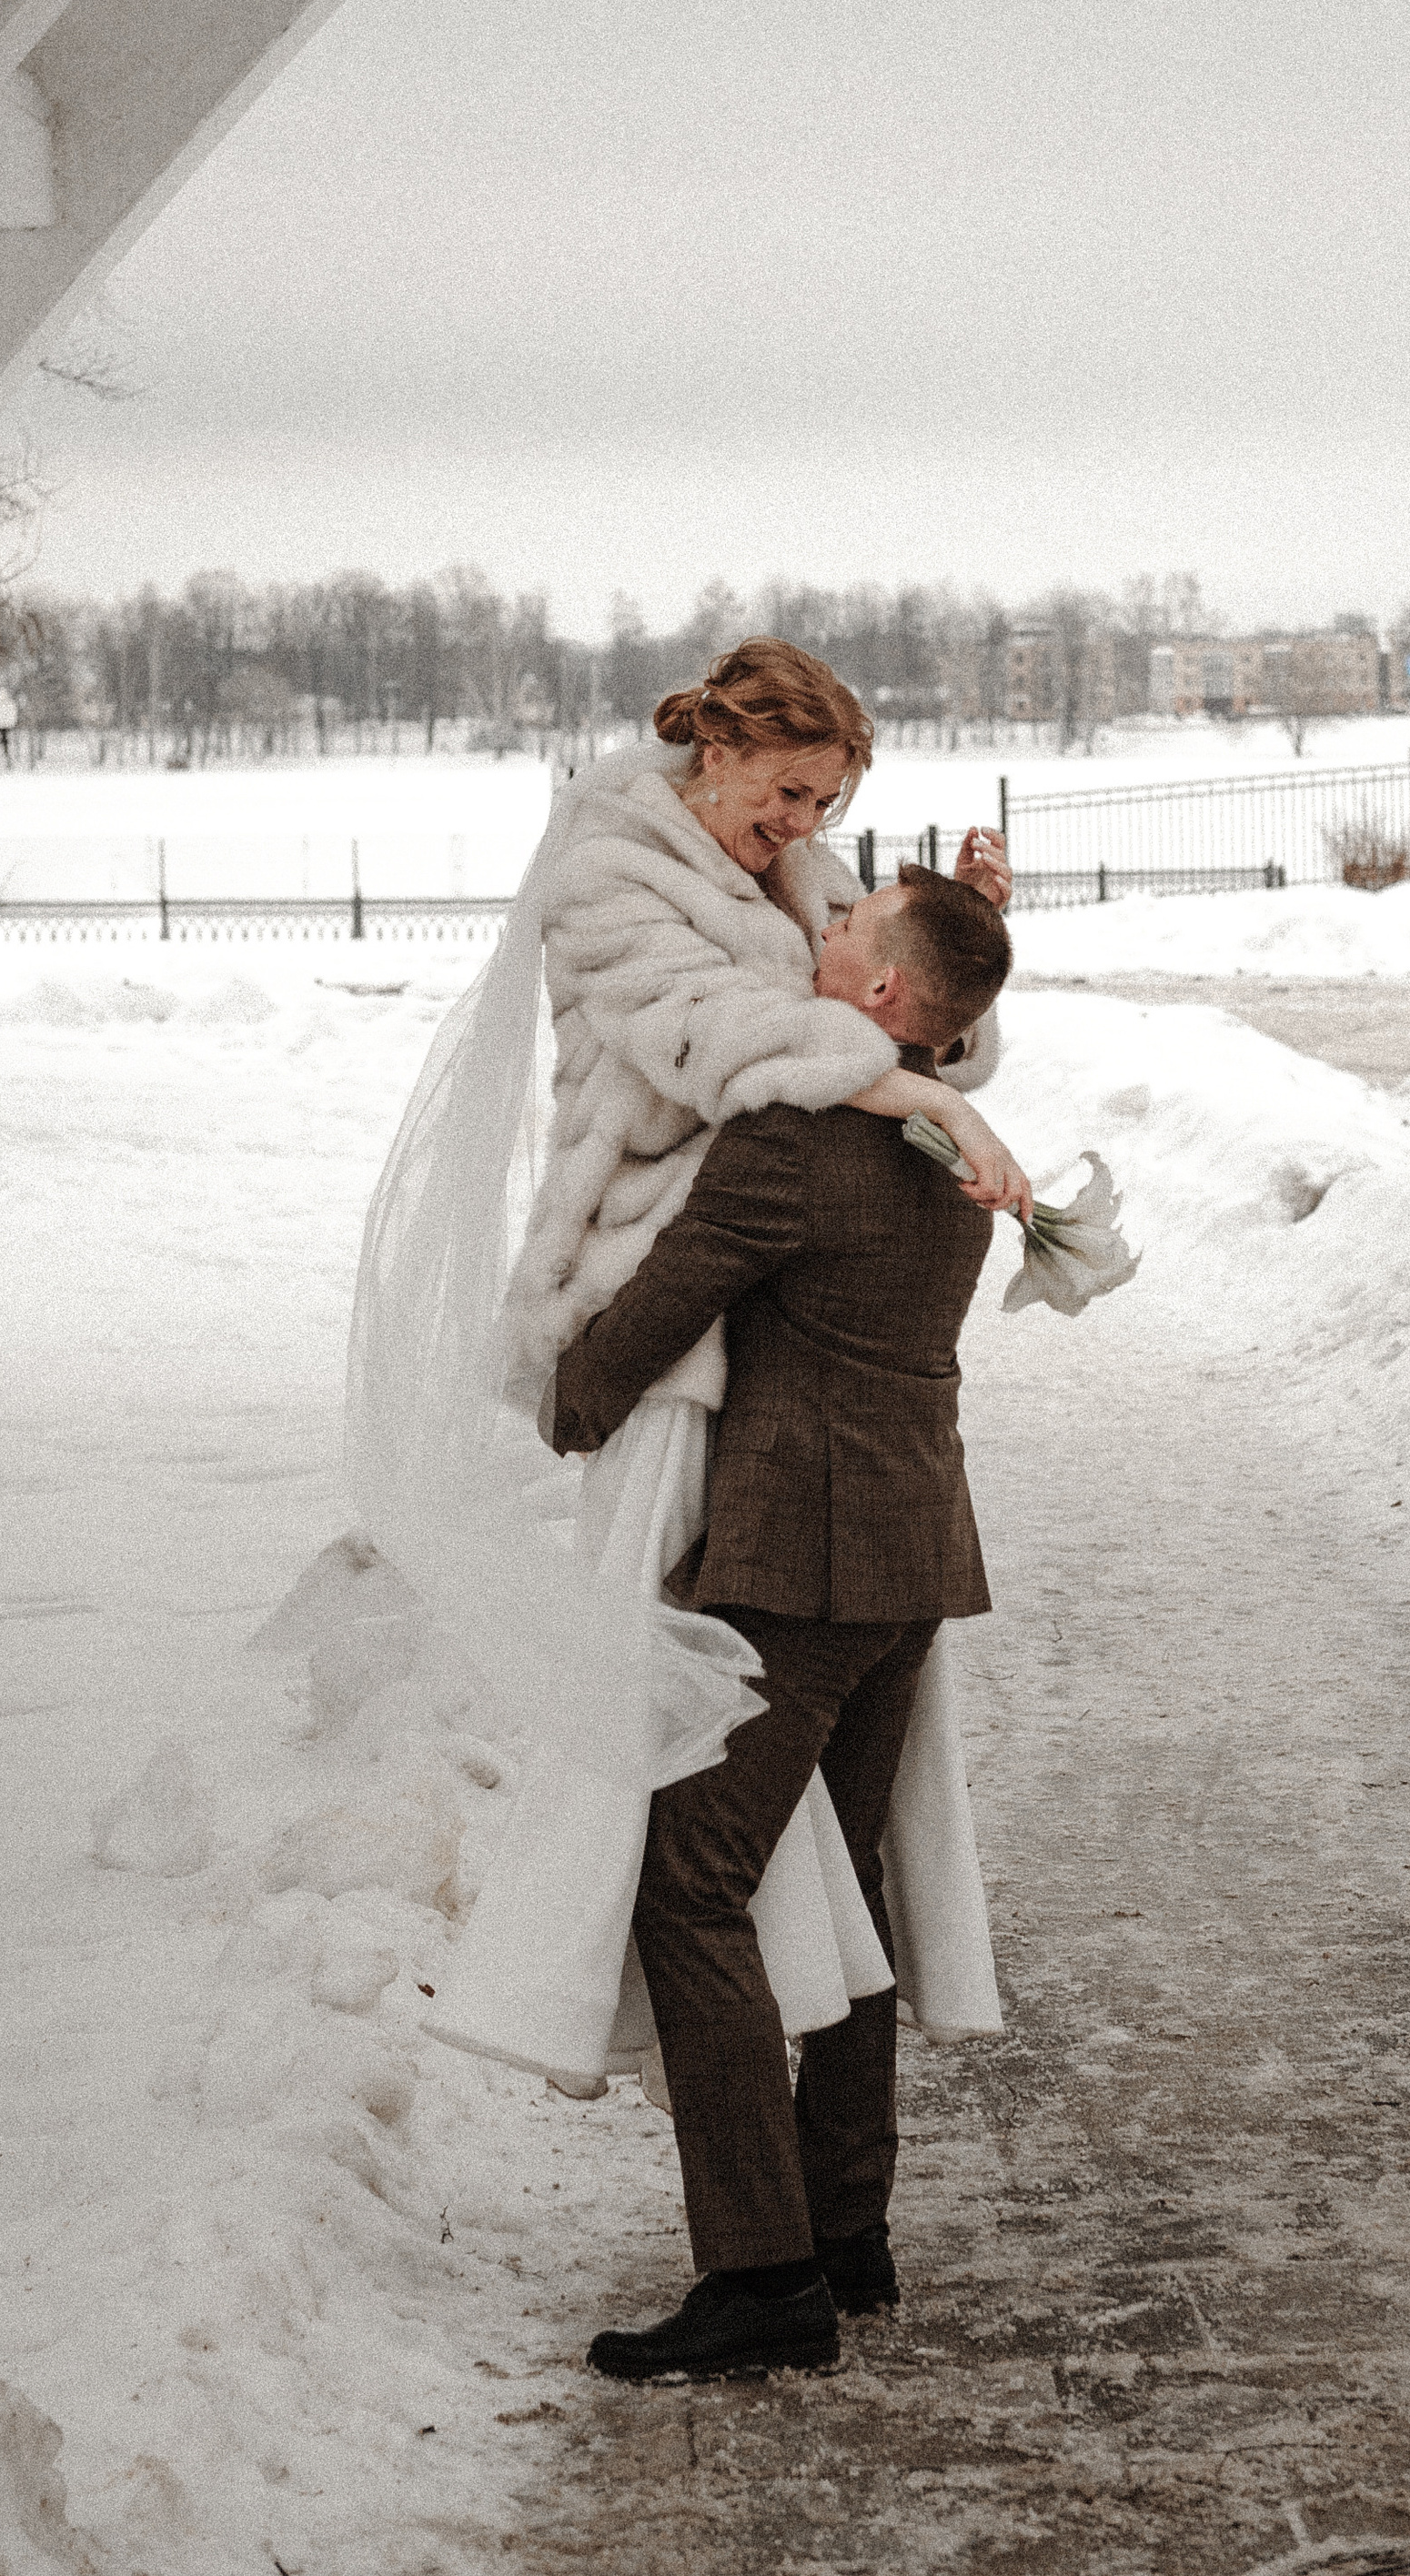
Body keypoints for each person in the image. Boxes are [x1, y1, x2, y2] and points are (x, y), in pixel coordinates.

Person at [418, 639, 1025, 2093]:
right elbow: (719, 1041)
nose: (808, 827)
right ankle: (588, 2016)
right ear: (723, 749)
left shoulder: (802, 879)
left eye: (829, 804)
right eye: (793, 791)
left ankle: (798, 2223)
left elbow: (900, 1012)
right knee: (675, 1755)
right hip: (654, 1284)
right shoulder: (612, 870)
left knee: (788, 1812)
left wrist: (962, 944)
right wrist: (888, 1075)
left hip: (761, 1308)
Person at [546, 862, 1016, 2384]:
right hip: (911, 1557)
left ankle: (761, 2273)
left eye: (847, 928)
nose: (818, 930)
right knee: (855, 1882)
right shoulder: (946, 1131)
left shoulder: (797, 1141)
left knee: (691, 1889)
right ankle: (846, 2228)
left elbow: (664, 1304)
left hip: (795, 1567)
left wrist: (563, 1398)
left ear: (880, 995)